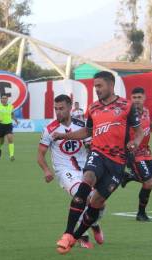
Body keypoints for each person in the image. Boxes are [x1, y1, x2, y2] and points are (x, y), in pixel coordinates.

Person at [52, 71, 144, 255]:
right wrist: (64, 135)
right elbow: (87, 132)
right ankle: (67, 233)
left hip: (118, 163)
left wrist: (135, 142)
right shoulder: (93, 108)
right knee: (87, 180)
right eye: (95, 86)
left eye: (100, 86)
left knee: (96, 203)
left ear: (111, 85)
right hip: (98, 154)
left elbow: (139, 131)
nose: (97, 89)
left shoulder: (127, 106)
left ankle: (75, 237)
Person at [37, 94, 104, 249]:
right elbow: (40, 154)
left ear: (70, 108)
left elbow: (91, 146)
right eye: (56, 109)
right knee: (81, 197)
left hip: (86, 170)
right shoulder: (50, 129)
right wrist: (47, 170)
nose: (58, 112)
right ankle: (83, 237)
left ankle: (94, 223)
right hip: (65, 171)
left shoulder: (82, 125)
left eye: (61, 108)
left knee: (98, 202)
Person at [120, 87, 152, 221]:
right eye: (134, 98)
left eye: (139, 97)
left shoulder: (146, 111)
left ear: (144, 98)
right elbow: (120, 131)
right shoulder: (127, 114)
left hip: (146, 151)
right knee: (148, 183)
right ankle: (141, 213)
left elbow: (147, 127)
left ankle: (128, 177)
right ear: (130, 99)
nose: (136, 100)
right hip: (134, 153)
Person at [0, 95, 18, 161]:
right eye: (2, 98)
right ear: (1, 99)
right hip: (1, 126)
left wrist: (15, 120)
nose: (3, 99)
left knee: (10, 138)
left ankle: (11, 155)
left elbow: (12, 114)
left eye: (5, 98)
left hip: (9, 125)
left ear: (7, 99)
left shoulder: (11, 106)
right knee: (2, 141)